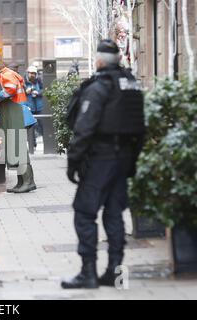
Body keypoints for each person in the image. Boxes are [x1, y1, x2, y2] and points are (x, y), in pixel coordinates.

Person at [61, 39, 145, 289]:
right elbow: (141, 127)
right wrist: (133, 160)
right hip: (124, 157)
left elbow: (84, 128)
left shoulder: (99, 88)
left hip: (102, 158)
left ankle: (88, 273)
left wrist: (73, 161)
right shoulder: (130, 83)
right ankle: (117, 274)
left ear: (98, 61)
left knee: (84, 212)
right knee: (114, 214)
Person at [0, 60, 37, 194]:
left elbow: (11, 88)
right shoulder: (8, 74)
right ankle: (22, 182)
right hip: (15, 116)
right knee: (17, 149)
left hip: (16, 117)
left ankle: (27, 182)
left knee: (19, 150)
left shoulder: (5, 74)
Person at [24, 66, 44, 150]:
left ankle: (47, 143)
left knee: (42, 126)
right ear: (27, 73)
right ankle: (33, 145)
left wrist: (38, 93)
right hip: (29, 107)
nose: (32, 75)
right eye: (30, 73)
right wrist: (26, 92)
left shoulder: (39, 81)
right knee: (31, 127)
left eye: (34, 73)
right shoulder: (24, 82)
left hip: (39, 107)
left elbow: (44, 90)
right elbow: (20, 94)